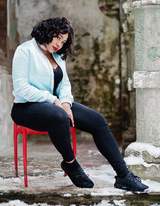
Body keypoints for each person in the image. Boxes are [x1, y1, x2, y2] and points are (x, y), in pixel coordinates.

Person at [11, 17, 149, 193]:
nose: (59, 44)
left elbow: (65, 84)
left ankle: (123, 176)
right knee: (59, 116)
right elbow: (21, 88)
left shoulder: (58, 55)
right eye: (58, 37)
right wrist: (53, 100)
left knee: (97, 120)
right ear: (47, 31)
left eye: (63, 41)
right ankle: (71, 164)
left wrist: (66, 103)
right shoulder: (25, 51)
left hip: (57, 105)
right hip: (26, 108)